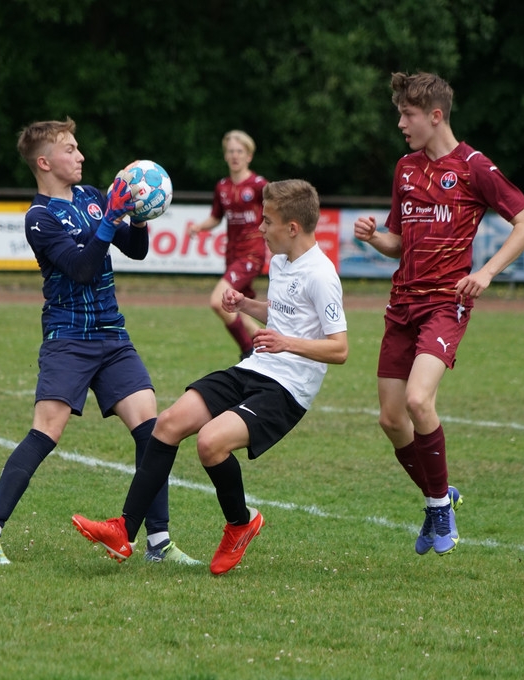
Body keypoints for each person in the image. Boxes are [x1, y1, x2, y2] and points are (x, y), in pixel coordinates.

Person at [72, 179, 348, 575]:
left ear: (292, 228)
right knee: (168, 423)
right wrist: (247, 304)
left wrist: (286, 343)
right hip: (256, 367)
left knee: (210, 443)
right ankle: (123, 530)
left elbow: (339, 349)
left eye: (267, 221)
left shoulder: (322, 274)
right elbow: (284, 312)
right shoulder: (281, 262)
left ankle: (240, 524)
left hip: (288, 389)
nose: (260, 229)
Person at [0, 118, 198, 566]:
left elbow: (136, 250)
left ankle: (159, 542)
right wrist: (110, 219)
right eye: (70, 149)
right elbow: (81, 268)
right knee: (46, 432)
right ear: (44, 162)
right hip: (68, 338)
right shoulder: (39, 218)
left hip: (112, 335)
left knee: (153, 431)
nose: (81, 156)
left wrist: (137, 217)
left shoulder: (92, 197)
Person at [353, 72, 524, 556]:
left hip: (444, 303)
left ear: (435, 116)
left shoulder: (474, 167)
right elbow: (399, 243)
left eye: (407, 115)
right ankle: (441, 496)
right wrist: (375, 238)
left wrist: (488, 272)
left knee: (418, 401)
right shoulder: (405, 168)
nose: (400, 124)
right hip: (401, 305)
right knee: (391, 419)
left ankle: (438, 509)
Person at [186, 130, 268, 360]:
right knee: (242, 310)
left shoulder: (259, 185)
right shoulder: (222, 187)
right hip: (232, 254)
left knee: (218, 301)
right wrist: (199, 227)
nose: (235, 155)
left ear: (249, 156)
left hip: (252, 254)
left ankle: (248, 351)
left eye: (239, 151)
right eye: (231, 151)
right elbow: (216, 217)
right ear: (225, 155)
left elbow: (277, 211)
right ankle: (271, 350)